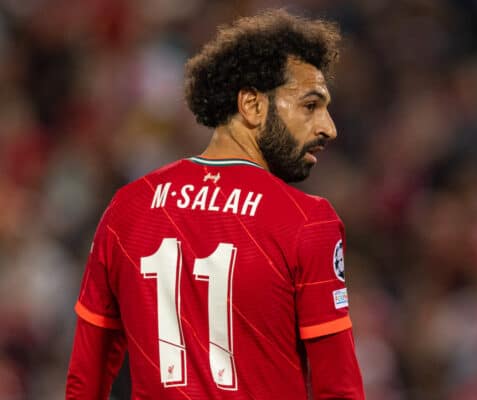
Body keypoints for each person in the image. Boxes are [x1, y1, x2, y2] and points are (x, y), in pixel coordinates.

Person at [65, 9, 365, 399]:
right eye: (310, 105)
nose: (329, 126)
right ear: (253, 106)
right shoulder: (308, 222)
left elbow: (84, 383)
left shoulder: (128, 208)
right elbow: (338, 389)